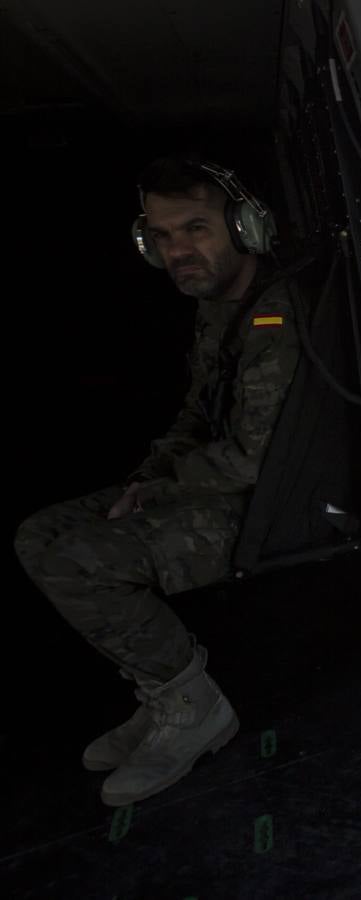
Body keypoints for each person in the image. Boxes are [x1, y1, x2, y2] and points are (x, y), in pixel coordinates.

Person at [14, 157, 301, 807]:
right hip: (207, 488)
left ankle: (194, 708)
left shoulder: (275, 319)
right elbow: (197, 415)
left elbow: (253, 461)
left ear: (243, 226)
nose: (178, 251)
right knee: (38, 535)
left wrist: (161, 491)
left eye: (196, 228)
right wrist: (145, 478)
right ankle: (163, 686)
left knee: (78, 562)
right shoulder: (217, 307)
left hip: (256, 507)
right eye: (162, 236)